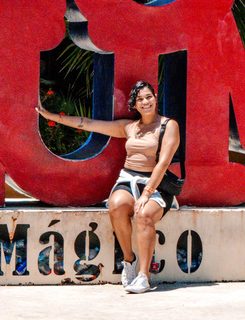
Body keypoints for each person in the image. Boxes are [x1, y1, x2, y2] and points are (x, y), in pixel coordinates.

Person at [36, 81, 180, 294]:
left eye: (148, 97)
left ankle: (143, 276)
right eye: (140, 99)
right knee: (116, 205)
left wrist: (147, 194)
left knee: (144, 215)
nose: (145, 102)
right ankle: (129, 262)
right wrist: (52, 117)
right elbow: (88, 123)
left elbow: (164, 162)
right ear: (135, 105)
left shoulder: (169, 126)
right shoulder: (129, 127)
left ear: (155, 98)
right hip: (129, 179)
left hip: (156, 184)